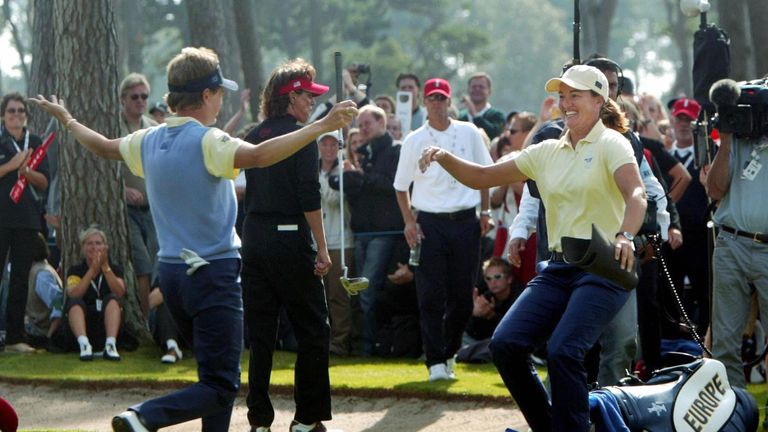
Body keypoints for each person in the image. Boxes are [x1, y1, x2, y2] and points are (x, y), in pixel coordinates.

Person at [31, 46, 356, 432]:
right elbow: (259, 156)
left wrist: (68, 119)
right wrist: (319, 126)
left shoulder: (148, 139)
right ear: (205, 95)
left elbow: (102, 145)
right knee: (221, 385)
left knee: (212, 375)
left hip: (171, 276)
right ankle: (144, 416)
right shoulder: (209, 141)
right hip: (212, 274)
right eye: (219, 93)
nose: (222, 101)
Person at [419, 65, 646, 431]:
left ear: (599, 100)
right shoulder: (544, 152)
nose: (566, 103)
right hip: (557, 269)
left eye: (575, 95)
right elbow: (481, 175)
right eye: (562, 96)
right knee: (506, 344)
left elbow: (636, 193)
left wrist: (625, 234)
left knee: (562, 351)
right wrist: (443, 156)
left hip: (602, 268)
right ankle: (549, 426)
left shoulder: (613, 143)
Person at [241, 58, 338, 432]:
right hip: (287, 238)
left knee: (262, 335)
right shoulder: (301, 135)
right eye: (306, 95)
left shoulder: (252, 134)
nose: (311, 102)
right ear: (289, 97)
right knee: (314, 329)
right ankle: (305, 419)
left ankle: (259, 422)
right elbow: (308, 196)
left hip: (253, 237)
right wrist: (323, 248)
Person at [394, 77, 493, 381]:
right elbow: (400, 187)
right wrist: (410, 222)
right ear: (425, 102)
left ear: (450, 101)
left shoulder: (469, 133)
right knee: (431, 295)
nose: (437, 103)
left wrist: (486, 210)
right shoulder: (414, 140)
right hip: (430, 224)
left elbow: (485, 173)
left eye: (442, 98)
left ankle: (449, 352)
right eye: (432, 98)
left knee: (463, 298)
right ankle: (435, 360)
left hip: (465, 220)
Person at [330, 105, 403, 357]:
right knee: (360, 291)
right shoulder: (362, 152)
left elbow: (392, 184)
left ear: (381, 123)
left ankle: (368, 348)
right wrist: (356, 177)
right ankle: (365, 344)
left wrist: (361, 176)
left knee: (368, 289)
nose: (362, 129)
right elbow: (342, 184)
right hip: (362, 231)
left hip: (384, 232)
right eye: (359, 125)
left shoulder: (395, 151)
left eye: (367, 124)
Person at [706, 126, 768, 390]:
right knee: (725, 340)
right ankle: (734, 412)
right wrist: (728, 139)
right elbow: (715, 190)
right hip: (732, 242)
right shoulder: (739, 135)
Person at [0, 92, 50, 354]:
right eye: (11, 111)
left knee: (20, 279)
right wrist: (12, 165)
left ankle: (15, 337)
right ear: (3, 115)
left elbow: (44, 182)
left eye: (21, 111)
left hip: (27, 220)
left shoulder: (37, 142)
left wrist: (28, 171)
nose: (17, 115)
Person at [118, 73, 159, 318]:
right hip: (126, 211)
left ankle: (156, 319)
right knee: (142, 264)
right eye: (135, 96)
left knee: (156, 261)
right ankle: (144, 319)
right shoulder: (113, 127)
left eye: (144, 96)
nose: (141, 101)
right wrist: (122, 190)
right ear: (123, 99)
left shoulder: (154, 129)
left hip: (153, 208)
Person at [65, 226, 126, 361]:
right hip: (84, 322)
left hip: (106, 322)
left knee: (112, 299)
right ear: (83, 248)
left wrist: (105, 268)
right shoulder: (75, 270)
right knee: (75, 303)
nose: (94, 247)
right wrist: (91, 271)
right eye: (89, 243)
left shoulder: (115, 269)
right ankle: (84, 345)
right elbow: (74, 294)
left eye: (98, 243)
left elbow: (120, 292)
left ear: (105, 247)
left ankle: (110, 346)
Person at [318, 130, 354, 356]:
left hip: (341, 241)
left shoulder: (345, 172)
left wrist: (314, 181)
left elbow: (333, 198)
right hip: (318, 241)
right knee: (320, 297)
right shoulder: (314, 170)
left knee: (338, 296)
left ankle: (340, 342)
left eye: (334, 145)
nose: (330, 149)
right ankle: (322, 339)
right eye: (325, 145)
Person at [25, 232, 64, 347]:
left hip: (40, 333)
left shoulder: (42, 275)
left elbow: (58, 302)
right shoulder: (34, 270)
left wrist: (49, 336)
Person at [458, 72, 506, 140]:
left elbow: (494, 135)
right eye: (474, 87)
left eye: (481, 87)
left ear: (489, 91)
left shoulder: (498, 116)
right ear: (468, 90)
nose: (477, 89)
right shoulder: (460, 117)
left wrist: (475, 115)